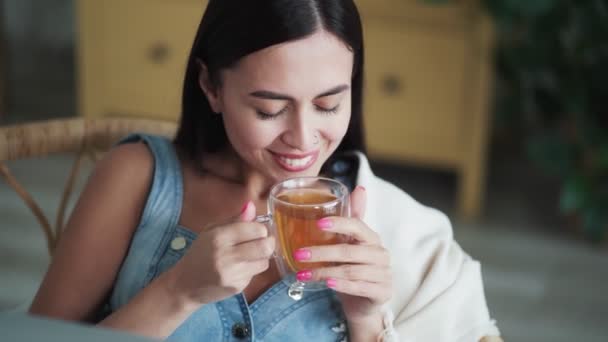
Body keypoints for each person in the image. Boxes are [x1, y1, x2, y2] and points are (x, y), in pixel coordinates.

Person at [29, 0, 500, 341]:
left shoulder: (391, 221)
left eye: (328, 103)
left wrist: (367, 320)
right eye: (271, 109)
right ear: (211, 86)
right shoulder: (135, 177)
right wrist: (177, 292)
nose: (303, 137)